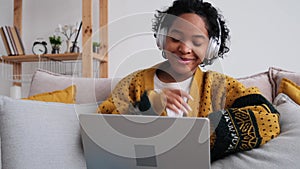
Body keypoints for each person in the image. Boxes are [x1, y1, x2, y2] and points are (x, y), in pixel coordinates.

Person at [97, 0, 280, 162]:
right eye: (176, 38)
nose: (184, 48)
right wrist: (150, 105)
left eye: (197, 42)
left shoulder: (219, 86)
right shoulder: (134, 83)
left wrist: (206, 132)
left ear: (211, 48)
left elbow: (268, 118)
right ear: (162, 38)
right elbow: (101, 128)